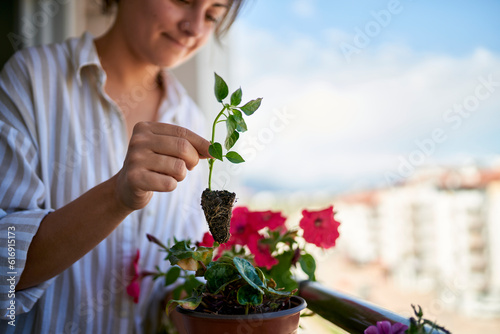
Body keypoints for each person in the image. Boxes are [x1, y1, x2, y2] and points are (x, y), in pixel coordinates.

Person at [0, 0, 246, 332]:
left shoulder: (190, 118)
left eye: (213, 15)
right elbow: (6, 262)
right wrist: (117, 197)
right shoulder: (32, 78)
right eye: (183, 1)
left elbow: (172, 284)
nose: (195, 27)